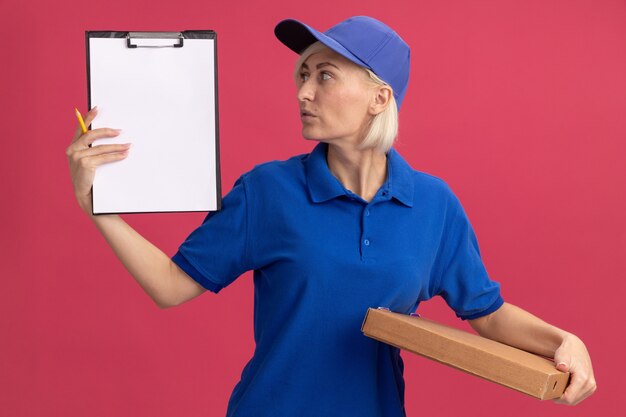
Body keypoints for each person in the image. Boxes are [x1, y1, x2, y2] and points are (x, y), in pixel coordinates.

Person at [67, 16, 596, 417]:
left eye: (324, 75)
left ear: (378, 97)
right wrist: (97, 206)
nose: (303, 91)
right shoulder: (267, 192)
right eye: (302, 74)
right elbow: (169, 286)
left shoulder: (433, 206)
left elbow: (488, 314)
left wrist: (562, 341)